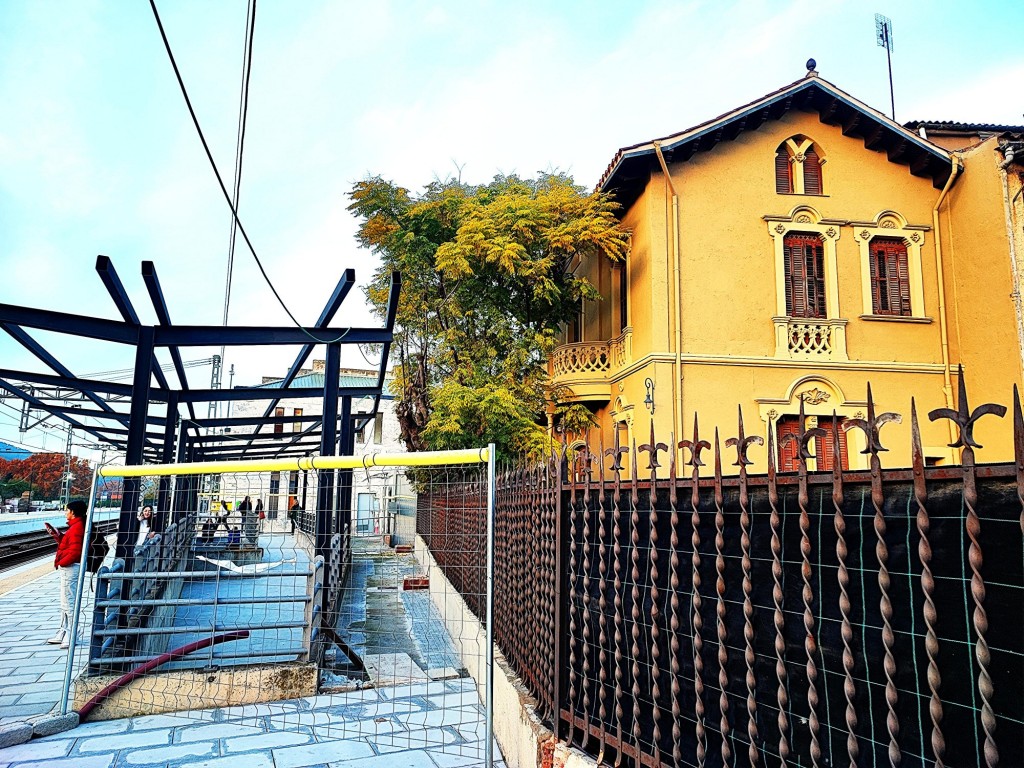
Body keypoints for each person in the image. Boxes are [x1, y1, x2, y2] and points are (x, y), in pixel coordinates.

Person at [49, 500, 86, 648]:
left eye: (67, 510)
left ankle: (72, 633)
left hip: (71, 568)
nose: (66, 513)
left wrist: (61, 562)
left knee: (69, 603)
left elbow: (75, 552)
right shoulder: (75, 527)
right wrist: (58, 536)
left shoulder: (77, 528)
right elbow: (69, 544)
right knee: (65, 602)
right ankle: (64, 630)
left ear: (73, 512)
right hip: (69, 567)